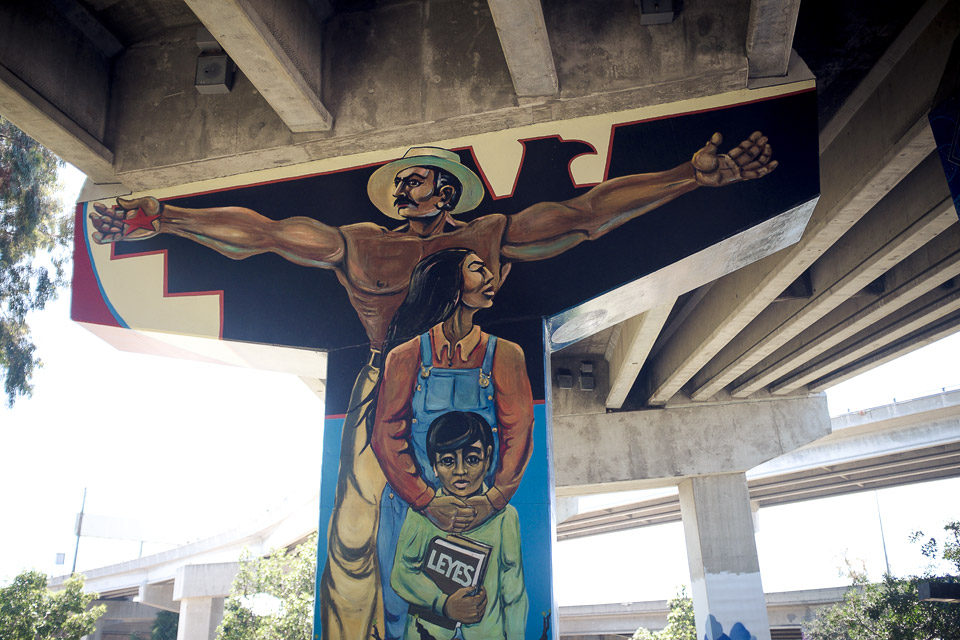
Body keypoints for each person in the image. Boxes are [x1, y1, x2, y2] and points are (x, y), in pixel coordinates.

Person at [87, 136, 776, 640]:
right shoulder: (361, 243)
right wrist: (164, 217)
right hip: (383, 385)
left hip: (466, 389)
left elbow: (583, 214)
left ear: (443, 193)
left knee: (486, 535)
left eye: (414, 179)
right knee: (354, 538)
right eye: (400, 183)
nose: (400, 189)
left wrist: (691, 174)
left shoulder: (485, 236)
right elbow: (264, 236)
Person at [370, 248, 533, 639]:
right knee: (401, 613)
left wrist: (491, 501)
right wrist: (426, 500)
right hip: (412, 509)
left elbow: (519, 432)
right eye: (477, 269)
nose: (490, 276)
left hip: (479, 511)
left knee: (486, 611)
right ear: (450, 285)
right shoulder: (405, 357)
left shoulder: (506, 355)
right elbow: (386, 435)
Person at [391, 411, 527, 640]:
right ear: (434, 465)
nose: (460, 470)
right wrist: (442, 604)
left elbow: (513, 593)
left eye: (472, 459)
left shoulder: (505, 518)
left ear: (488, 458)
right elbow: (402, 574)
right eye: (447, 461)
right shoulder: (422, 516)